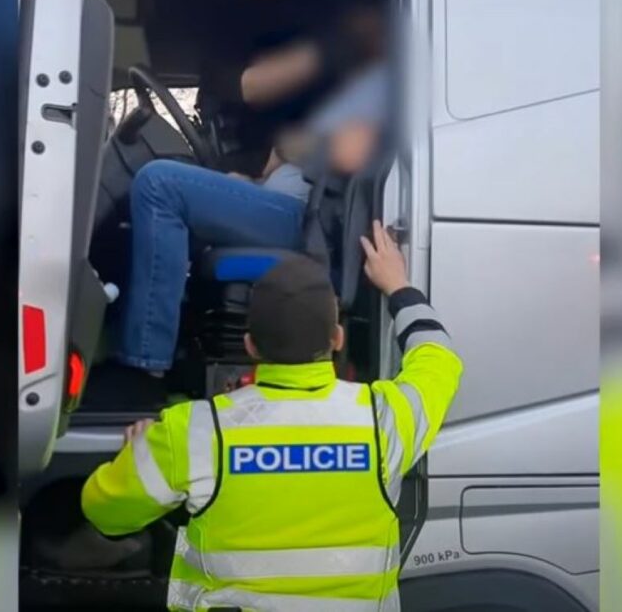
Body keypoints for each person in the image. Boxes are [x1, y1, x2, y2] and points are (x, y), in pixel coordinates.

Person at [83, 222, 464, 611]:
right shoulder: (383, 422)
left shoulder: (194, 431)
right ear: (337, 339)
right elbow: (439, 359)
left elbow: (105, 515)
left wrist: (137, 454)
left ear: (249, 345)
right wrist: (398, 285)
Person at [114, 34, 388, 376]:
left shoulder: (369, 82)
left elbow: (341, 148)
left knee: (159, 184)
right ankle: (177, 355)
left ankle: (145, 365)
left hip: (307, 221)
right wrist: (252, 182)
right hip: (284, 204)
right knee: (163, 187)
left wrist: (288, 147)